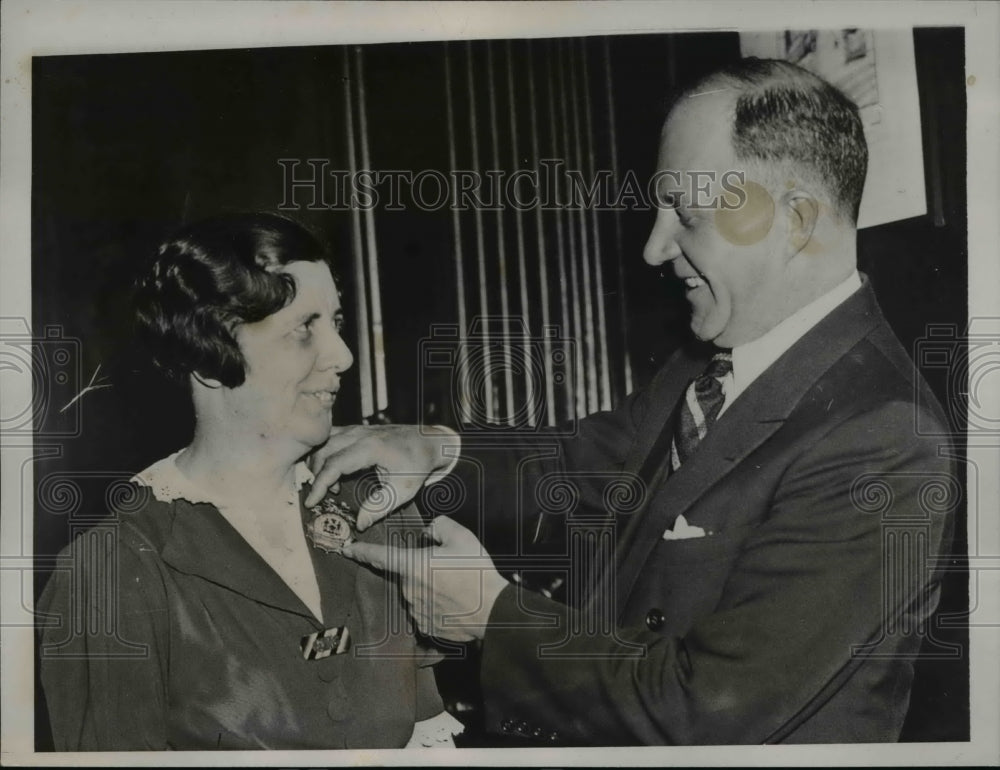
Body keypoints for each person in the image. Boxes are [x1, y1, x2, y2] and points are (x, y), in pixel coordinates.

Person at [305, 59, 956, 744]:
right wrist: (436, 449)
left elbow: (707, 713)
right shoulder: (707, 365)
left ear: (794, 221)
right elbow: (575, 466)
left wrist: (492, 617)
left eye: (687, 215)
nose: (654, 247)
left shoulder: (884, 438)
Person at [37, 213, 459, 750]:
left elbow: (427, 740)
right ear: (210, 353)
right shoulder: (110, 572)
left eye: (336, 322)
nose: (344, 355)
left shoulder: (377, 503)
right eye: (304, 328)